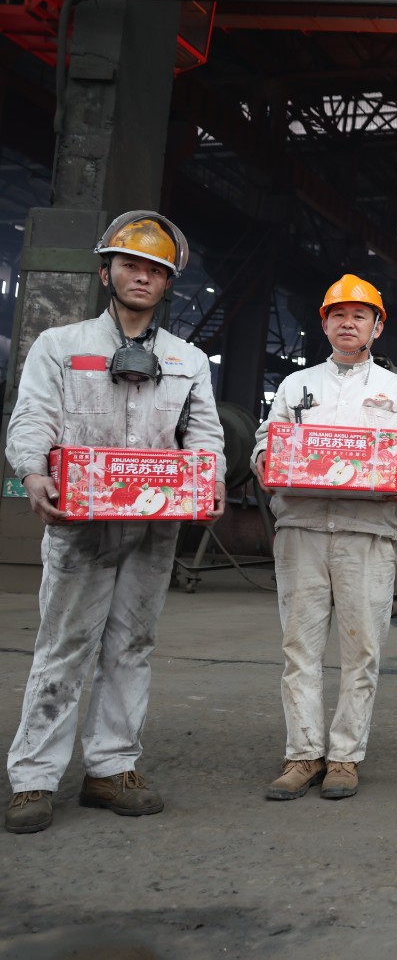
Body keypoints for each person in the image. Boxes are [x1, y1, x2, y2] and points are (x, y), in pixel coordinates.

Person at [4, 212, 226, 834]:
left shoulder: (186, 359)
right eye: (130, 264)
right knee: (64, 645)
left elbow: (204, 434)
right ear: (107, 272)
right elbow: (33, 417)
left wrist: (208, 480)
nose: (141, 277)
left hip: (154, 526)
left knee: (131, 646)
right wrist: (34, 472)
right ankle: (34, 779)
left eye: (155, 270)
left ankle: (111, 768)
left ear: (168, 284)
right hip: (80, 522)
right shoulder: (60, 345)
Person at [252, 274, 397, 802]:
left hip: (368, 533)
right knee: (299, 649)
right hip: (301, 530)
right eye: (338, 314)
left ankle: (345, 757)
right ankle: (303, 754)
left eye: (359, 315)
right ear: (324, 324)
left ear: (378, 327)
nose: (348, 323)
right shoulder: (295, 386)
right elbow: (266, 439)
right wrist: (262, 458)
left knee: (362, 652)